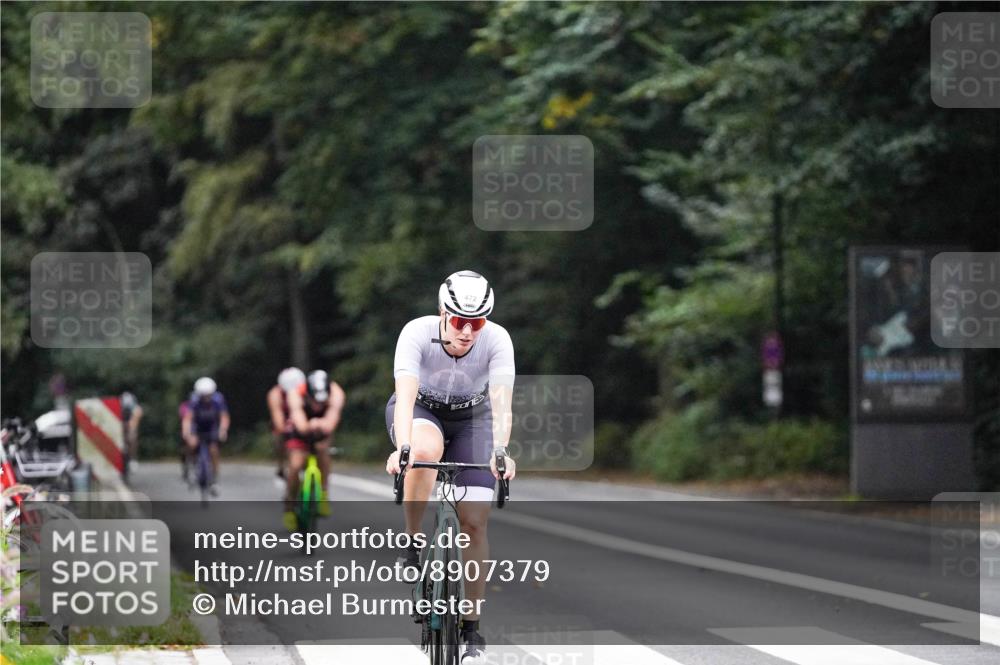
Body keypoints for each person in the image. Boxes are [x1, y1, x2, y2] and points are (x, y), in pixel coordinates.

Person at [384, 270, 516, 664]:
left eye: (477, 322)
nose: (468, 331)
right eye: (459, 321)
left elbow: (502, 405)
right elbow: (405, 396)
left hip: (474, 419)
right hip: (421, 412)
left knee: (474, 521)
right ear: (443, 312)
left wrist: (502, 450)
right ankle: (412, 540)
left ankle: (471, 626)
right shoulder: (416, 333)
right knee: (425, 450)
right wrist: (403, 446)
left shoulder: (497, 340)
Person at [282, 370, 345, 530]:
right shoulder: (295, 393)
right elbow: (300, 424)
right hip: (300, 427)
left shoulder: (336, 393)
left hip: (322, 428)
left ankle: (323, 493)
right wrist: (309, 425)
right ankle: (290, 507)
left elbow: (331, 420)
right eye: (314, 401)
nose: (318, 405)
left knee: (323, 451)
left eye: (322, 402)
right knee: (295, 465)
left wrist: (322, 425)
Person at [182, 377, 230, 495]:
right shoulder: (194, 400)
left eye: (208, 395)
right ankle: (192, 467)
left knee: (214, 450)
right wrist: (186, 432)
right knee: (192, 444)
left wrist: (223, 430)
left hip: (212, 426)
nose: (206, 398)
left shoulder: (218, 400)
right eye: (203, 395)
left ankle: (215, 479)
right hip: (197, 426)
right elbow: (188, 418)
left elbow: (224, 417)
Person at [267, 367, 307, 481]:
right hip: (285, 420)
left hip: (302, 419)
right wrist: (285, 428)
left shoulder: (306, 390)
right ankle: (281, 467)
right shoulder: (275, 394)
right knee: (279, 438)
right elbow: (278, 419)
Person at [120, 391, 143, 475]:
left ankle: (133, 459)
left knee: (132, 438)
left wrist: (130, 432)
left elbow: (134, 423)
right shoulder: (119, 408)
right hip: (122, 424)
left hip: (131, 425)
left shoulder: (137, 409)